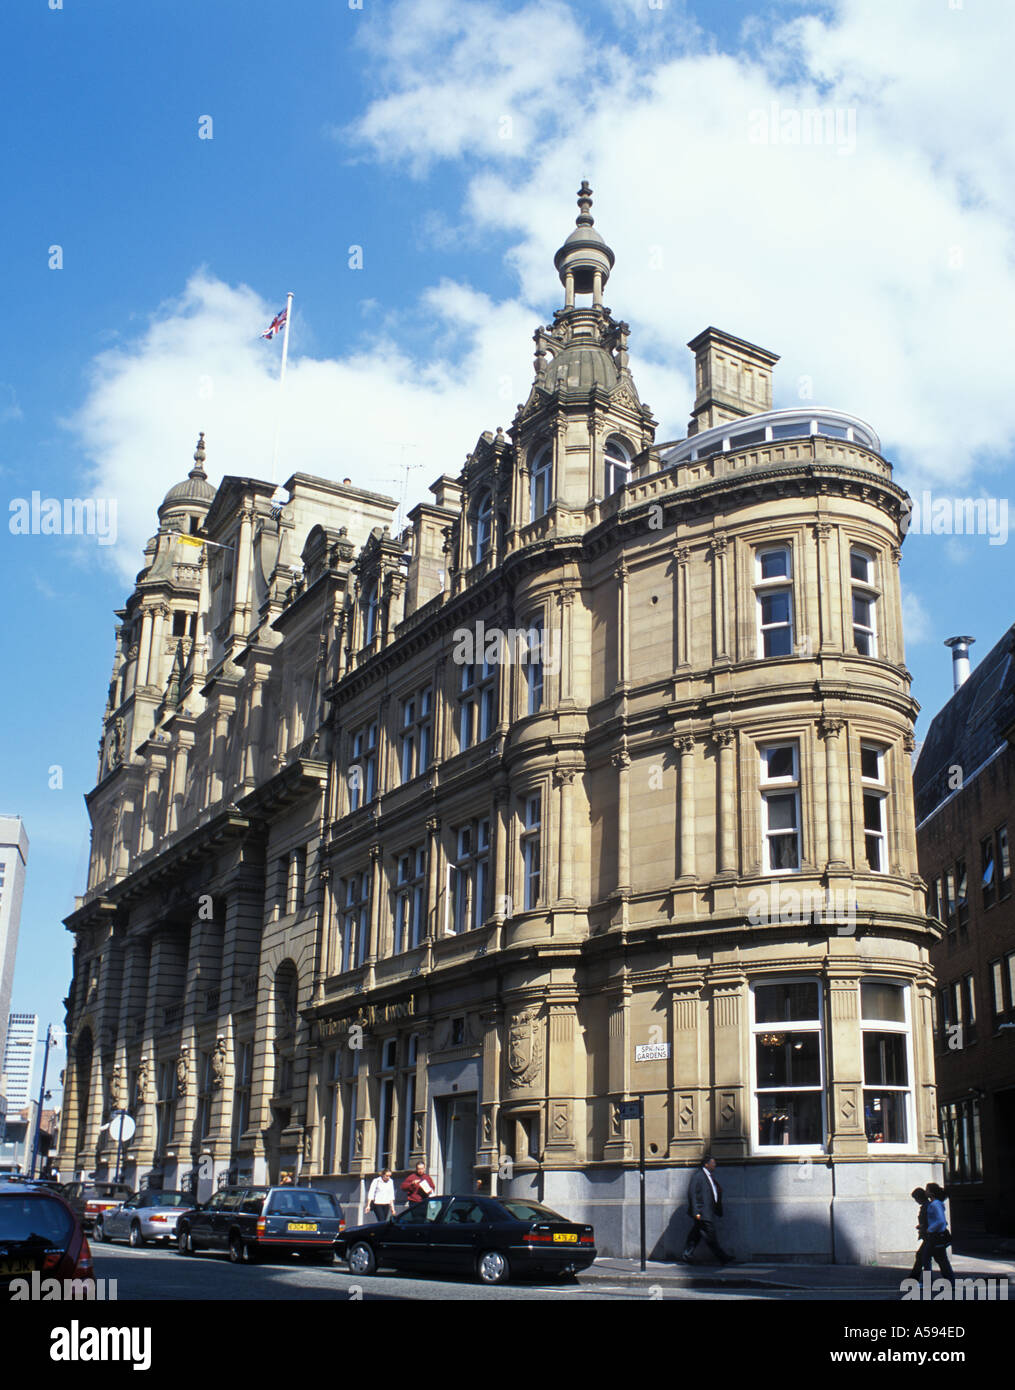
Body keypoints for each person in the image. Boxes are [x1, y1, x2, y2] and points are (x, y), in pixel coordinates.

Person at [680, 1154, 734, 1265]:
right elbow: (692, 1194)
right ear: (706, 1164)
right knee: (710, 1235)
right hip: (702, 1213)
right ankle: (722, 1257)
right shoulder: (698, 1176)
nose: (715, 1165)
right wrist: (696, 1212)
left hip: (708, 1211)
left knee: (696, 1235)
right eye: (713, 1163)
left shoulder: (709, 1176)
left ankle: (687, 1255)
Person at [914, 1182, 954, 1280]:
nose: (925, 1191)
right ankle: (950, 1280)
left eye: (927, 1190)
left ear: (931, 1193)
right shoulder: (934, 1204)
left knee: (930, 1258)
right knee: (934, 1259)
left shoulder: (935, 1204)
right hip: (934, 1235)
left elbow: (941, 1221)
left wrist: (929, 1229)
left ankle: (947, 1280)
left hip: (935, 1235)